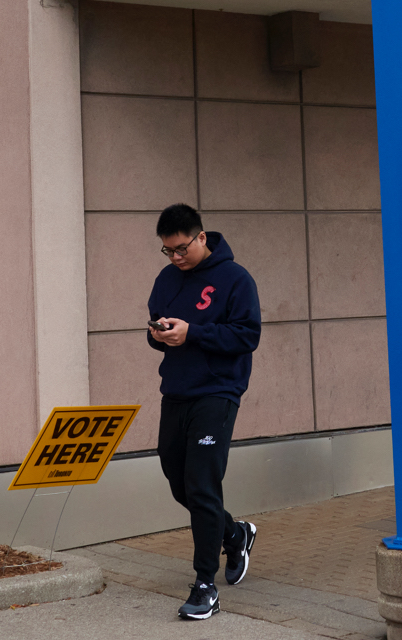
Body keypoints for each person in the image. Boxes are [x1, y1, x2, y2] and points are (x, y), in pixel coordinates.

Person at [145, 203, 261, 621]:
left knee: (201, 483)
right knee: (179, 481)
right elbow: (154, 326)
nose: (175, 258)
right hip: (176, 391)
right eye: (167, 251)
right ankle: (233, 533)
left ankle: (204, 585)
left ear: (201, 238)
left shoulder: (236, 279)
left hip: (218, 392)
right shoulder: (166, 279)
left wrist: (193, 332)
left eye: (180, 249)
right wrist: (160, 335)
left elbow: (248, 334)